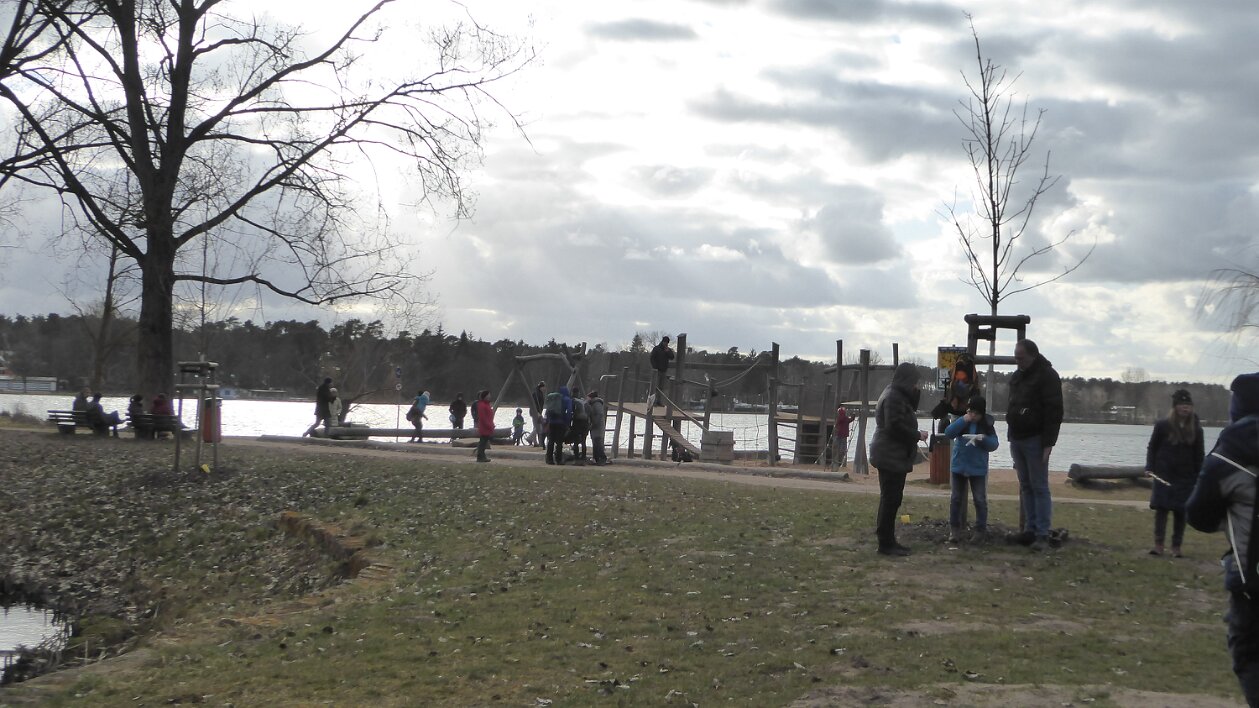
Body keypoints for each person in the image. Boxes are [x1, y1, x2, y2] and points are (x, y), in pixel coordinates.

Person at [1187, 372, 1259, 706]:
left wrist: (1229, 515)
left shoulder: (1228, 456)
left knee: (1249, 656)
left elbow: (1198, 515)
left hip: (1251, 581)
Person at [1007, 339, 1064, 552]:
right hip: (1017, 438)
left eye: (1021, 358)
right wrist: (1011, 434)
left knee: (1039, 486)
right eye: (1016, 357)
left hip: (1036, 439)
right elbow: (1013, 405)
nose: (1017, 361)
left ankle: (1042, 534)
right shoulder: (1017, 376)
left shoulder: (1048, 376)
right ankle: (1030, 530)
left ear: (1033, 355)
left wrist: (1048, 443)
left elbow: (1054, 412)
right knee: (1026, 485)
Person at [869, 362, 928, 556]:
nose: (916, 386)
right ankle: (885, 543)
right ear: (907, 380)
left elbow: (907, 411)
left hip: (892, 453)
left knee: (892, 499)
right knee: (890, 499)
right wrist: (917, 435)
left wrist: (915, 393)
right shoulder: (893, 396)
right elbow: (894, 426)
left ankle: (888, 540)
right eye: (914, 383)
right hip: (889, 454)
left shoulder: (896, 394)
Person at [1146, 389, 1205, 557]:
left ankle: (1176, 547)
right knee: (1162, 510)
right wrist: (1149, 466)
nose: (1185, 408)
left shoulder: (1197, 429)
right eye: (1182, 404)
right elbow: (1152, 447)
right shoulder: (1162, 425)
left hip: (1186, 477)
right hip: (1163, 475)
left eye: (1188, 405)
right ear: (1175, 407)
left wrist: (1199, 476)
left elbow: (1199, 455)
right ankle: (1159, 545)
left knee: (1181, 512)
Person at [943, 395, 999, 543]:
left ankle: (980, 531)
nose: (972, 415)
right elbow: (949, 433)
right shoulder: (962, 421)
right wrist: (963, 420)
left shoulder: (987, 425)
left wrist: (983, 439)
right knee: (956, 498)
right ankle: (954, 529)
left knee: (979, 499)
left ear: (981, 414)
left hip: (977, 468)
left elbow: (994, 444)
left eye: (976, 413)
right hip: (959, 466)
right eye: (970, 412)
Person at [544, 385, 572, 465]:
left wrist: (548, 421)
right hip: (561, 423)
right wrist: (567, 423)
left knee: (551, 441)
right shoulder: (567, 399)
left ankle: (549, 459)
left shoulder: (554, 399)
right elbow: (569, 412)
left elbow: (547, 411)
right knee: (559, 442)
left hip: (551, 422)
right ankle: (558, 460)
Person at [587, 390, 608, 465]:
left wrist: (594, 423)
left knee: (598, 442)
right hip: (595, 426)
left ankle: (602, 458)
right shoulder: (593, 404)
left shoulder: (596, 404)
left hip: (597, 426)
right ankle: (596, 458)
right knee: (595, 442)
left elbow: (599, 415)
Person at [473, 390, 495, 463]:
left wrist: (492, 424)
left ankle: (482, 456)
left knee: (484, 442)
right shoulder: (482, 405)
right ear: (485, 396)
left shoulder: (487, 404)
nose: (489, 396)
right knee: (483, 442)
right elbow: (483, 417)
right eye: (488, 395)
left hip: (487, 426)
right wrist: (489, 425)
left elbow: (489, 416)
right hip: (484, 427)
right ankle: (480, 457)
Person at [570, 386, 589, 463]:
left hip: (577, 422)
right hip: (585, 422)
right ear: (579, 393)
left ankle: (576, 457)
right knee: (583, 441)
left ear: (573, 393)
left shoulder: (573, 400)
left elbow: (571, 411)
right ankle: (583, 457)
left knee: (576, 441)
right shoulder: (583, 401)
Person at [532, 381, 548, 449]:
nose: (545, 388)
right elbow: (534, 403)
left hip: (537, 412)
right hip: (536, 412)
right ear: (541, 387)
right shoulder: (537, 394)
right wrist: (537, 412)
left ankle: (535, 441)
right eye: (544, 387)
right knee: (539, 426)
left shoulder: (538, 393)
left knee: (536, 426)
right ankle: (531, 438)